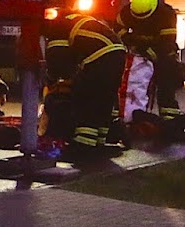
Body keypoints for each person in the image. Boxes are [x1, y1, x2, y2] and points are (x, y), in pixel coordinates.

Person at [116, 0, 185, 143]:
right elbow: (117, 30)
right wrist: (134, 42)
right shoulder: (127, 12)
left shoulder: (166, 14)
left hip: (161, 51)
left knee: (166, 76)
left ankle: (169, 118)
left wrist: (151, 53)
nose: (141, 20)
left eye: (144, 17)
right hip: (138, 49)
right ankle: (128, 115)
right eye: (138, 17)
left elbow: (166, 44)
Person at [41, 10, 128, 163]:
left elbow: (58, 61)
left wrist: (53, 80)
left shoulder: (57, 29)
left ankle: (83, 145)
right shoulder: (73, 20)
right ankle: (99, 142)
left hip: (98, 57)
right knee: (103, 100)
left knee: (85, 99)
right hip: (118, 54)